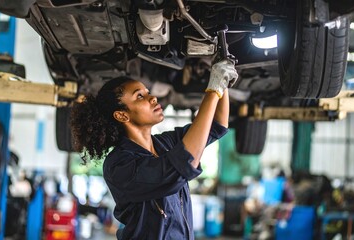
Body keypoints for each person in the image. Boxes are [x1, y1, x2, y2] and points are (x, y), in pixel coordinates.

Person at [70, 60, 238, 239]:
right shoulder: (119, 164)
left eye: (148, 92)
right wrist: (213, 89)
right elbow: (182, 164)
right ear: (122, 115)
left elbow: (217, 125)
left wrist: (222, 83)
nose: (153, 98)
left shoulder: (165, 143)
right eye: (140, 96)